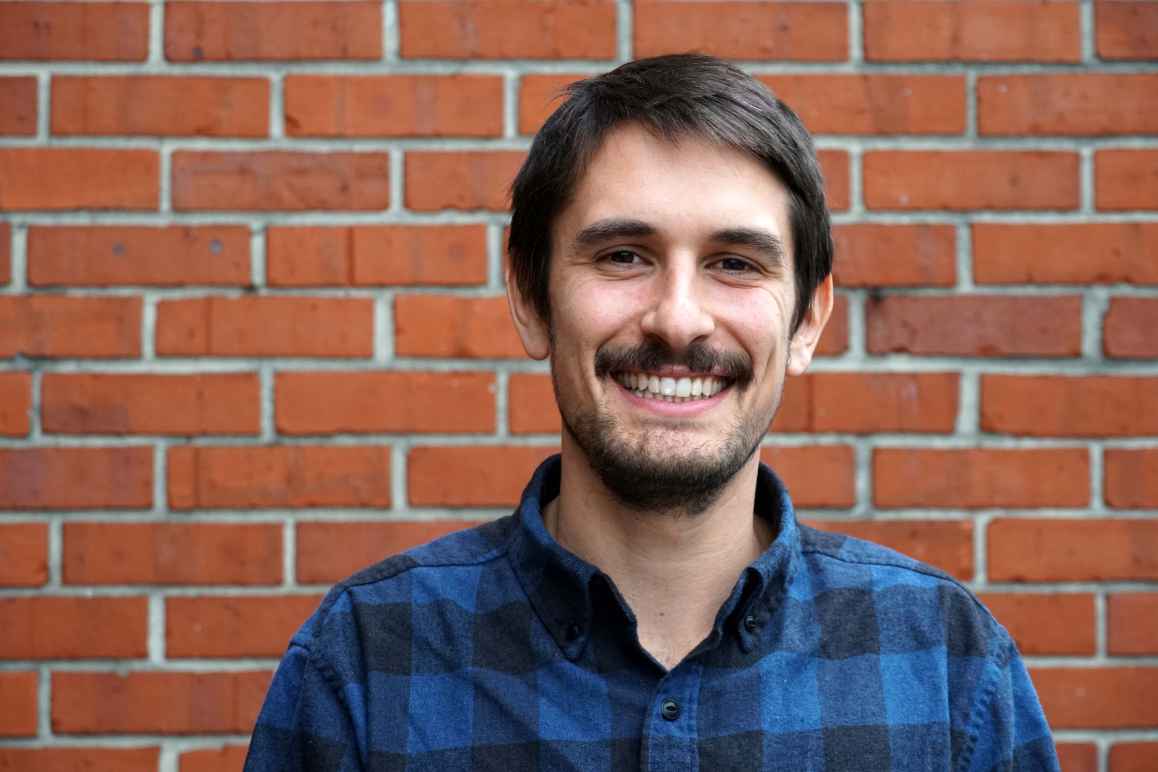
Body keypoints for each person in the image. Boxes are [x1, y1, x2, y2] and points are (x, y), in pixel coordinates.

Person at [244, 54, 1060, 771]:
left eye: (734, 263)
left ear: (807, 321)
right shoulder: (366, 664)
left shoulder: (946, 667)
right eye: (624, 256)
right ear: (531, 298)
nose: (678, 318)